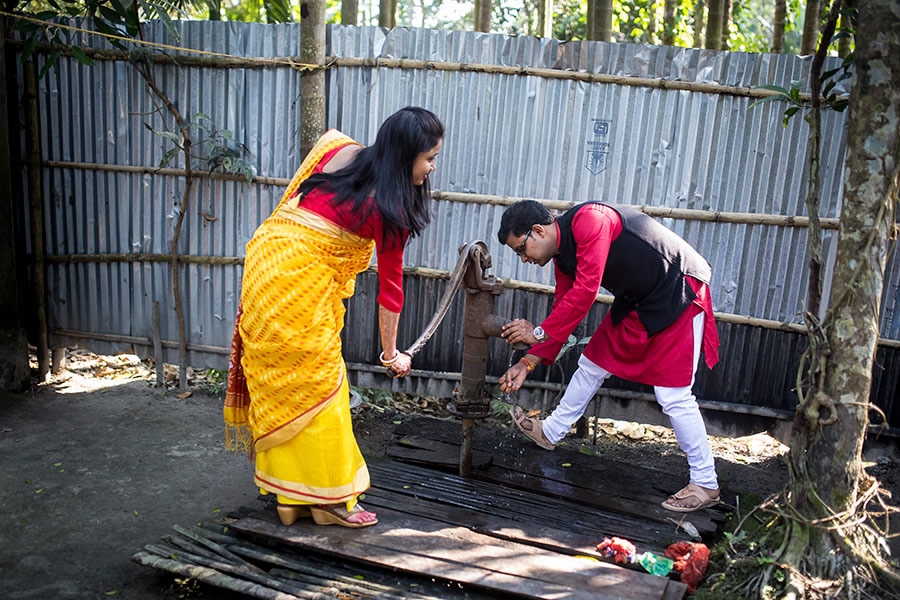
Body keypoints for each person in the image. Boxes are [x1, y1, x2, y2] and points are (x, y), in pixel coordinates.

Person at [224, 107, 444, 528]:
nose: (432, 168)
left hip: (265, 263)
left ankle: (288, 498)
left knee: (288, 382)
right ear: (405, 157)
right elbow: (391, 291)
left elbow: (295, 202)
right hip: (297, 284)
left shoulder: (337, 148)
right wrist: (390, 353)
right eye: (428, 158)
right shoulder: (390, 205)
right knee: (322, 385)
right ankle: (328, 502)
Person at [497, 200, 721, 512]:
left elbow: (587, 291)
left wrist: (537, 333)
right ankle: (551, 432)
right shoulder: (563, 259)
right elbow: (565, 309)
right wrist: (527, 362)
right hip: (638, 299)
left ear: (538, 230)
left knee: (673, 394)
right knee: (591, 364)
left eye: (521, 249)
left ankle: (706, 482)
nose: (523, 260)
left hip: (678, 288)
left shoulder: (591, 221)